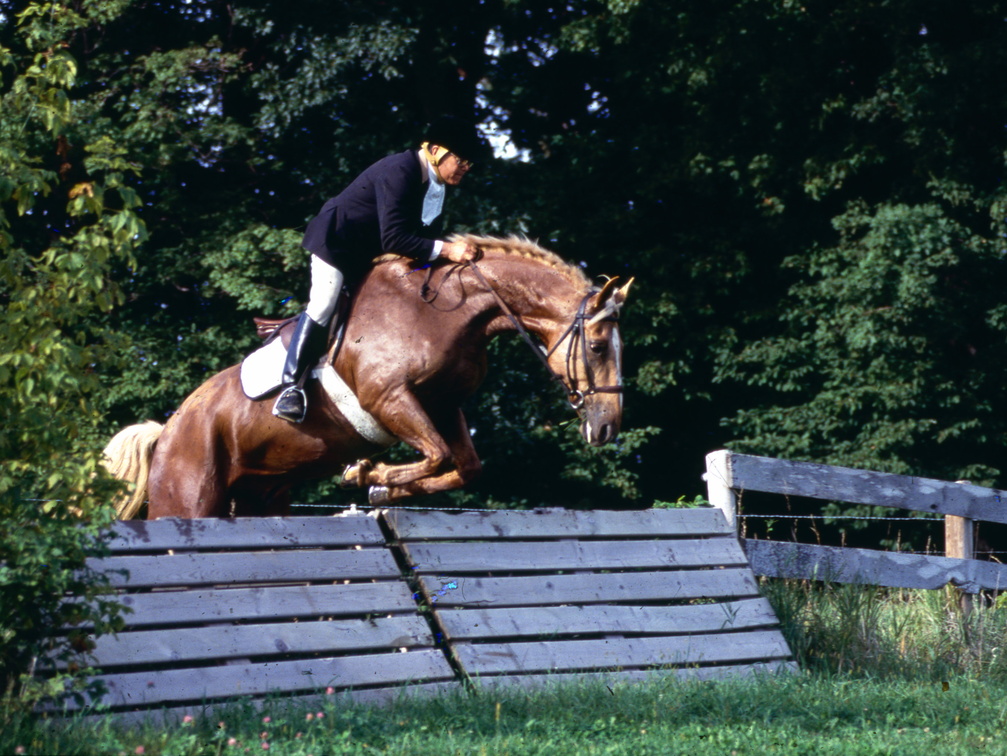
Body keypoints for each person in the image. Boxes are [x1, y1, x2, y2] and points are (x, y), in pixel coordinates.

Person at [272, 117, 486, 423]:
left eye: (470, 163)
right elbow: (396, 238)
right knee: (324, 304)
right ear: (437, 150)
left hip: (368, 255)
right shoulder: (400, 170)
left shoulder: (436, 186)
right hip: (336, 245)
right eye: (462, 160)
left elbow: (423, 239)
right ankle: (290, 388)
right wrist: (449, 249)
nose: (466, 168)